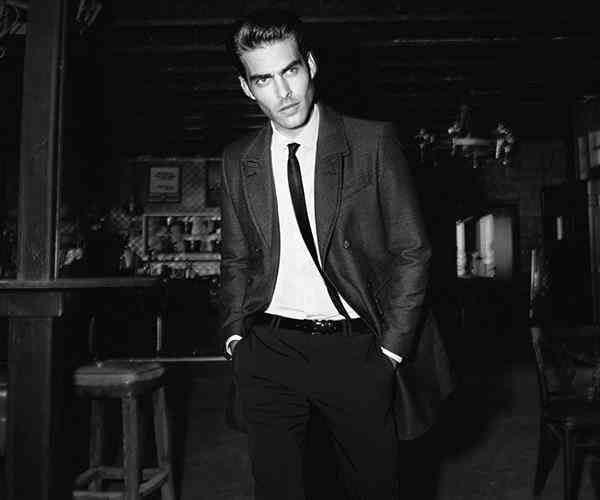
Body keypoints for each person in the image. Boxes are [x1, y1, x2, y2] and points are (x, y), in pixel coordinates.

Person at [220, 8, 451, 499]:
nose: (283, 92)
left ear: (310, 65)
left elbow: (412, 251)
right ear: (247, 88)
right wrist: (236, 337)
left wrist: (390, 351)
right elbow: (236, 258)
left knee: (373, 487)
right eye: (263, 79)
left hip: (356, 349)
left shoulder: (371, 142)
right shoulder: (238, 160)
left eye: (290, 70)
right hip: (268, 349)